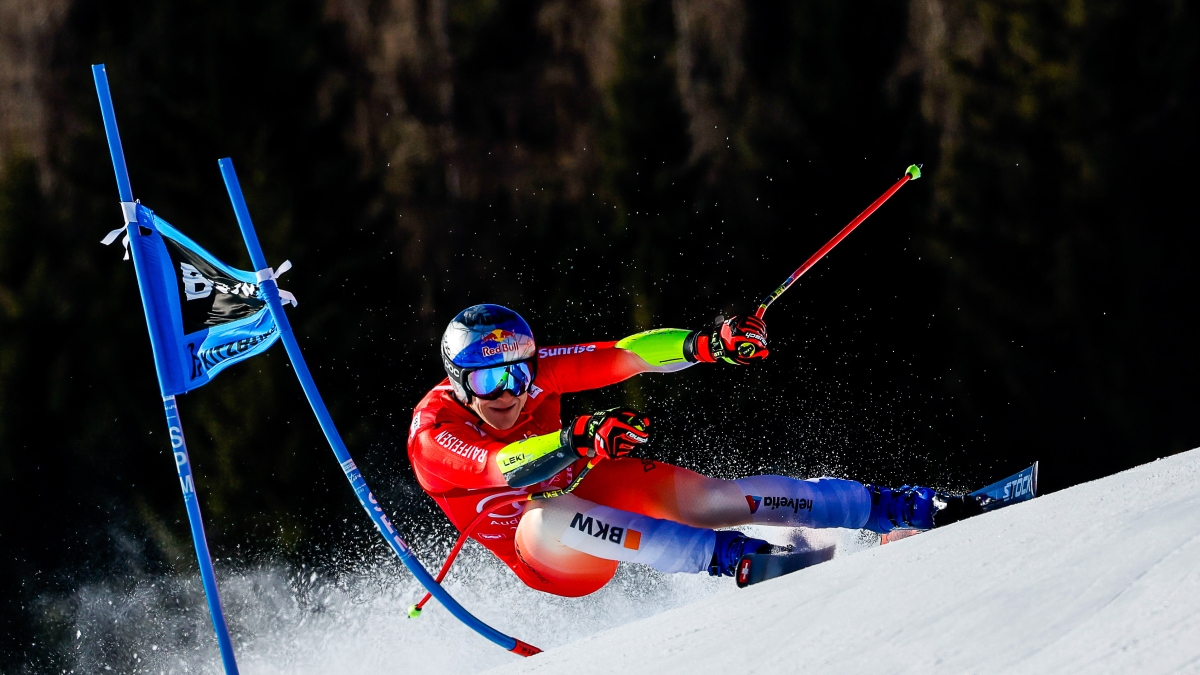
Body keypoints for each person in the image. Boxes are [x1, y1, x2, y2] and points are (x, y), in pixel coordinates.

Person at [407, 303, 975, 597]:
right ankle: (735, 558)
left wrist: (707, 344)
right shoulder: (433, 432)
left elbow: (627, 355)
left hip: (587, 491)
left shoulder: (533, 374)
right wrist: (574, 438)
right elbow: (501, 467)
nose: (508, 393)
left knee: (710, 499)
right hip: (554, 559)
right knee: (542, 515)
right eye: (488, 382)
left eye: (517, 375)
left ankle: (892, 507)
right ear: (458, 381)